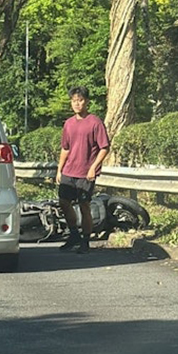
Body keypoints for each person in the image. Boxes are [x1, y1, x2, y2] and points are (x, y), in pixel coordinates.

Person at [55, 86, 110, 254]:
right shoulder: (69, 124)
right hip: (69, 171)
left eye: (80, 100)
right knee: (64, 203)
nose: (77, 104)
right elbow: (65, 148)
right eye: (74, 101)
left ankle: (86, 240)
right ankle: (73, 235)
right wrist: (59, 169)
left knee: (84, 205)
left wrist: (94, 167)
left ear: (86, 101)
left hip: (86, 172)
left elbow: (104, 147)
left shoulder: (95, 122)